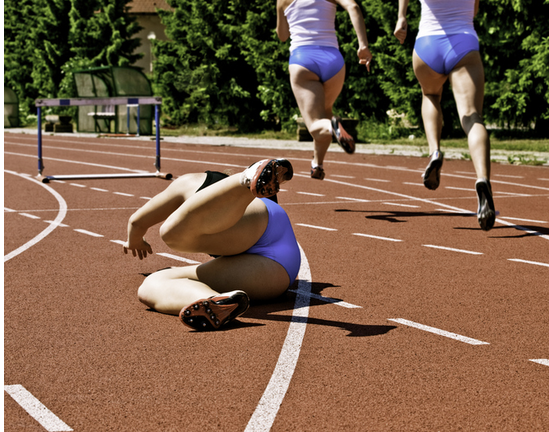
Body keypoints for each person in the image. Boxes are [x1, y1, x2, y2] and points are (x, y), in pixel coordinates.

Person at [122, 159, 301, 331]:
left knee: (172, 234)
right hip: (280, 270)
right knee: (151, 284)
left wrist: (134, 240)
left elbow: (136, 222)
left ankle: (245, 178)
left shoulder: (191, 181)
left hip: (261, 225)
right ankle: (214, 301)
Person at [393, 0, 496, 230]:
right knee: (472, 117)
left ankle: (435, 151)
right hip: (463, 42)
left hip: (427, 44)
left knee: (430, 95)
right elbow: (475, 9)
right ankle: (482, 179)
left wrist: (402, 16)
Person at [276, 0, 372, 180]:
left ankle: (332, 126)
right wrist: (363, 45)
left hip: (303, 60)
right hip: (333, 61)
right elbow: (354, 7)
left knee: (316, 124)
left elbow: (282, 35)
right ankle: (317, 164)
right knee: (325, 113)